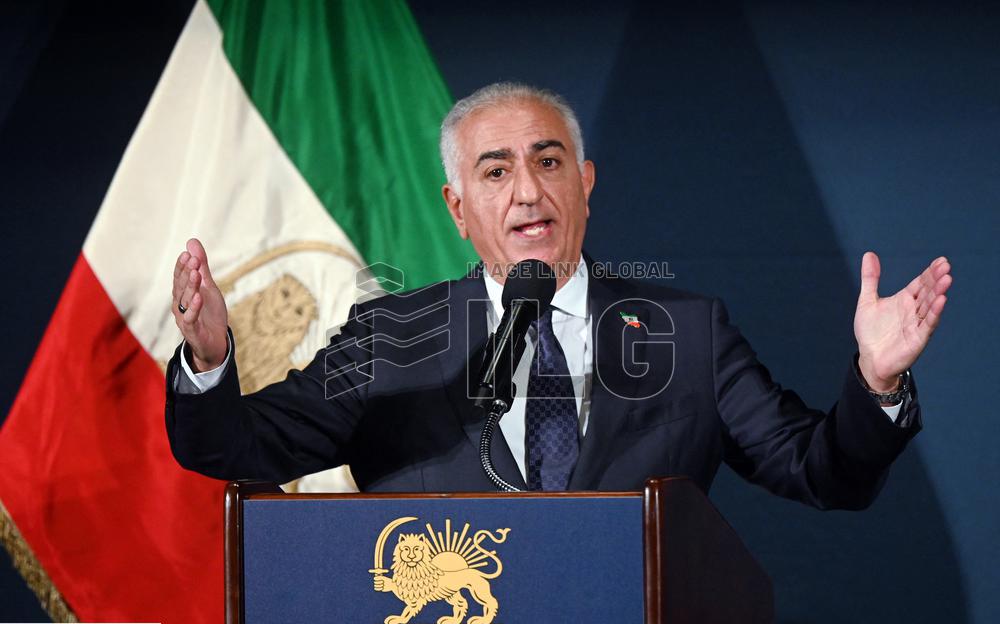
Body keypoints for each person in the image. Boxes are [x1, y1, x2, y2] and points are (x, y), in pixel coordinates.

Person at [166, 81, 951, 499]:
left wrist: (875, 382)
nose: (526, 193)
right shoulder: (386, 338)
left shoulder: (689, 334)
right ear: (458, 207)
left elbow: (823, 470)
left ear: (584, 183)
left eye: (547, 163)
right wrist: (207, 361)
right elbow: (232, 444)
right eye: (496, 170)